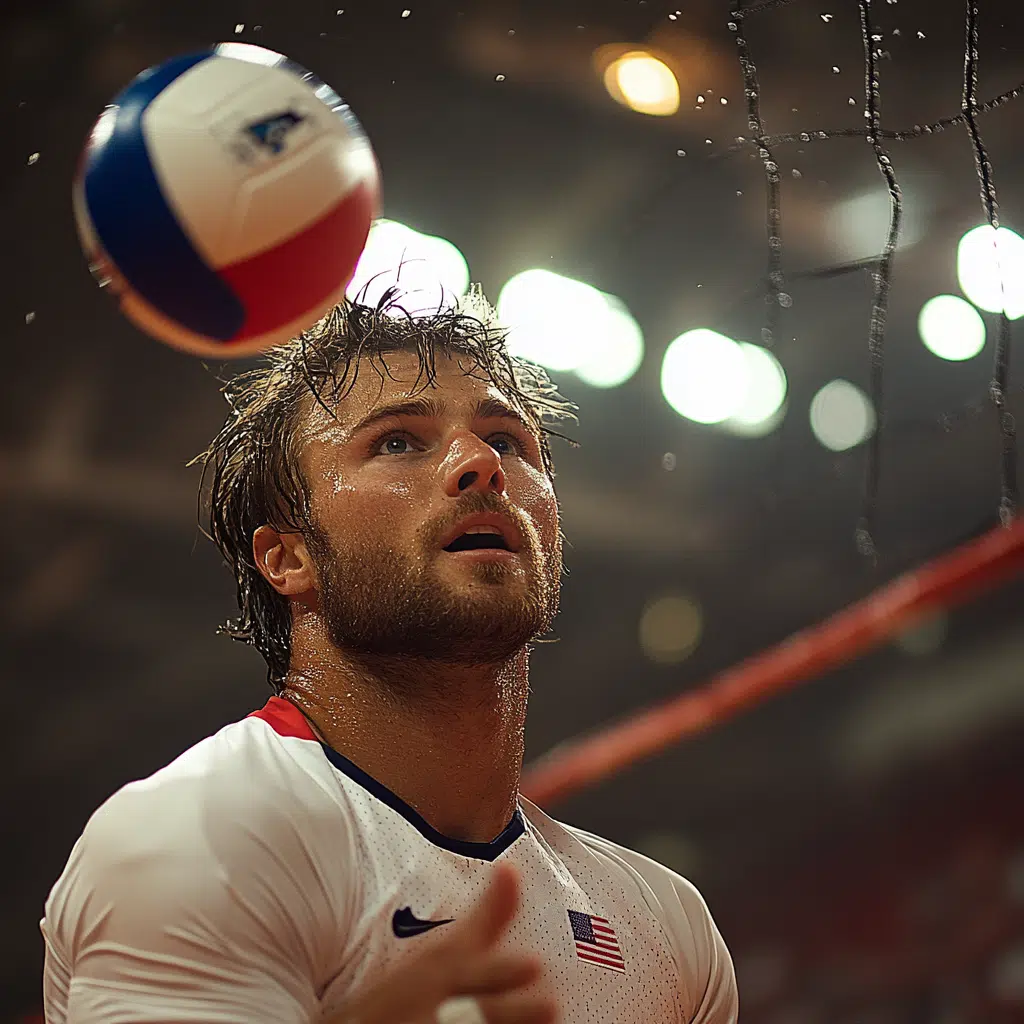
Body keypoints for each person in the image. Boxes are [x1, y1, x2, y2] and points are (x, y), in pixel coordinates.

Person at [41, 290, 739, 1024]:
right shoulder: (201, 835)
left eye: (506, 439)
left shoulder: (666, 924)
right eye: (399, 441)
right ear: (289, 559)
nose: (480, 464)